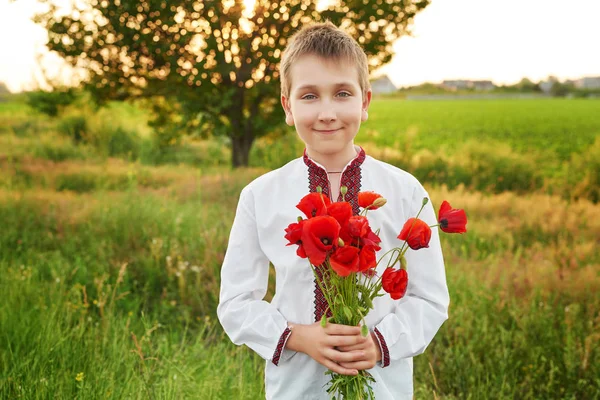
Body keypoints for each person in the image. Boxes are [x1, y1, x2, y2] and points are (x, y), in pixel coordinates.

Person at [217, 21, 450, 400]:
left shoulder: (404, 191)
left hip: (383, 387)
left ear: (365, 102)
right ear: (287, 107)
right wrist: (296, 336)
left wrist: (379, 343)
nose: (326, 112)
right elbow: (235, 303)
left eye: (342, 93)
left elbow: (429, 298)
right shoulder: (260, 195)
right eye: (309, 96)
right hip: (296, 387)